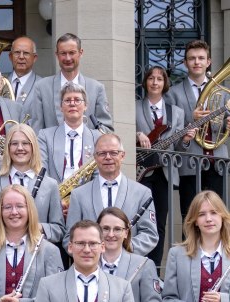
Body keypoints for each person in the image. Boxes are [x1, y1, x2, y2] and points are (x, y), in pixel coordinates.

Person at [164, 39, 229, 219]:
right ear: (185, 63)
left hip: (218, 162)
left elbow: (224, 127)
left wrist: (228, 125)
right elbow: (170, 132)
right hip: (190, 162)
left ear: (208, 62)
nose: (196, 62)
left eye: (201, 58)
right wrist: (190, 119)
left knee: (219, 215)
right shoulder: (173, 93)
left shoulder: (222, 92)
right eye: (192, 58)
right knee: (191, 216)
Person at [64, 133, 158, 256]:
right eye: (102, 153)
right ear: (95, 157)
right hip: (91, 267)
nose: (108, 157)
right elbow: (69, 238)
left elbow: (150, 235)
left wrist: (123, 250)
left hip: (127, 267)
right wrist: (90, 252)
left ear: (122, 156)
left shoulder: (142, 193)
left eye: (113, 153)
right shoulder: (78, 195)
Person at [0, 123, 65, 243]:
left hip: (37, 256)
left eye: (25, 143)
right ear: (7, 148)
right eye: (14, 143)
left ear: (33, 146)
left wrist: (38, 227)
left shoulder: (50, 185)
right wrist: (9, 228)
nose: (20, 148)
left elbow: (58, 230)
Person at [136, 66, 188, 266]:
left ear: (165, 83)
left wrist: (185, 140)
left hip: (164, 173)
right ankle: (139, 265)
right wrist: (137, 134)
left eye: (159, 79)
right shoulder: (134, 106)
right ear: (146, 82)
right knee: (142, 221)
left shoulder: (176, 113)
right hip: (142, 173)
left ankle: (154, 269)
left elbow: (180, 149)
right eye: (151, 78)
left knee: (160, 224)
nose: (155, 82)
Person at [29, 33, 112, 131]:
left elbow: (106, 130)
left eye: (72, 53)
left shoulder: (97, 88)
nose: (68, 58)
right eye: (63, 53)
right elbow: (36, 130)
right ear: (57, 55)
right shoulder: (41, 87)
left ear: (80, 53)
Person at [37, 83, 101, 185]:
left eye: (77, 100)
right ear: (61, 107)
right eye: (67, 100)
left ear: (86, 106)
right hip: (55, 196)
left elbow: (99, 175)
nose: (72, 103)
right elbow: (41, 171)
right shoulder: (45, 136)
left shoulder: (98, 137)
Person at [7, 36, 40, 105]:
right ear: (10, 56)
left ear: (34, 58)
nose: (21, 57)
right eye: (17, 52)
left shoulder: (42, 85)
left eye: (26, 53)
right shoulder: (0, 82)